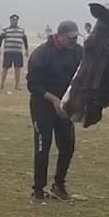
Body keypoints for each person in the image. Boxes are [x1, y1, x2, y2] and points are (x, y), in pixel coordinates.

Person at [26, 20, 83, 204]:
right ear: (59, 35)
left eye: (76, 37)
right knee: (43, 147)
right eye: (71, 38)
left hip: (65, 105)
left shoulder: (77, 52)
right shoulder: (42, 54)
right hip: (42, 105)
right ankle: (38, 190)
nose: (74, 41)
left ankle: (59, 185)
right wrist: (54, 100)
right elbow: (33, 84)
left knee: (67, 145)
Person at [0, 14, 29, 90]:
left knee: (17, 69)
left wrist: (27, 50)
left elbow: (25, 41)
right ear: (10, 20)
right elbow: (0, 40)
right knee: (5, 68)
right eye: (13, 20)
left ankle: (17, 86)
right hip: (8, 52)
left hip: (18, 52)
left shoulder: (21, 30)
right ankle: (1, 85)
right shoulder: (5, 30)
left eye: (16, 20)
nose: (14, 21)